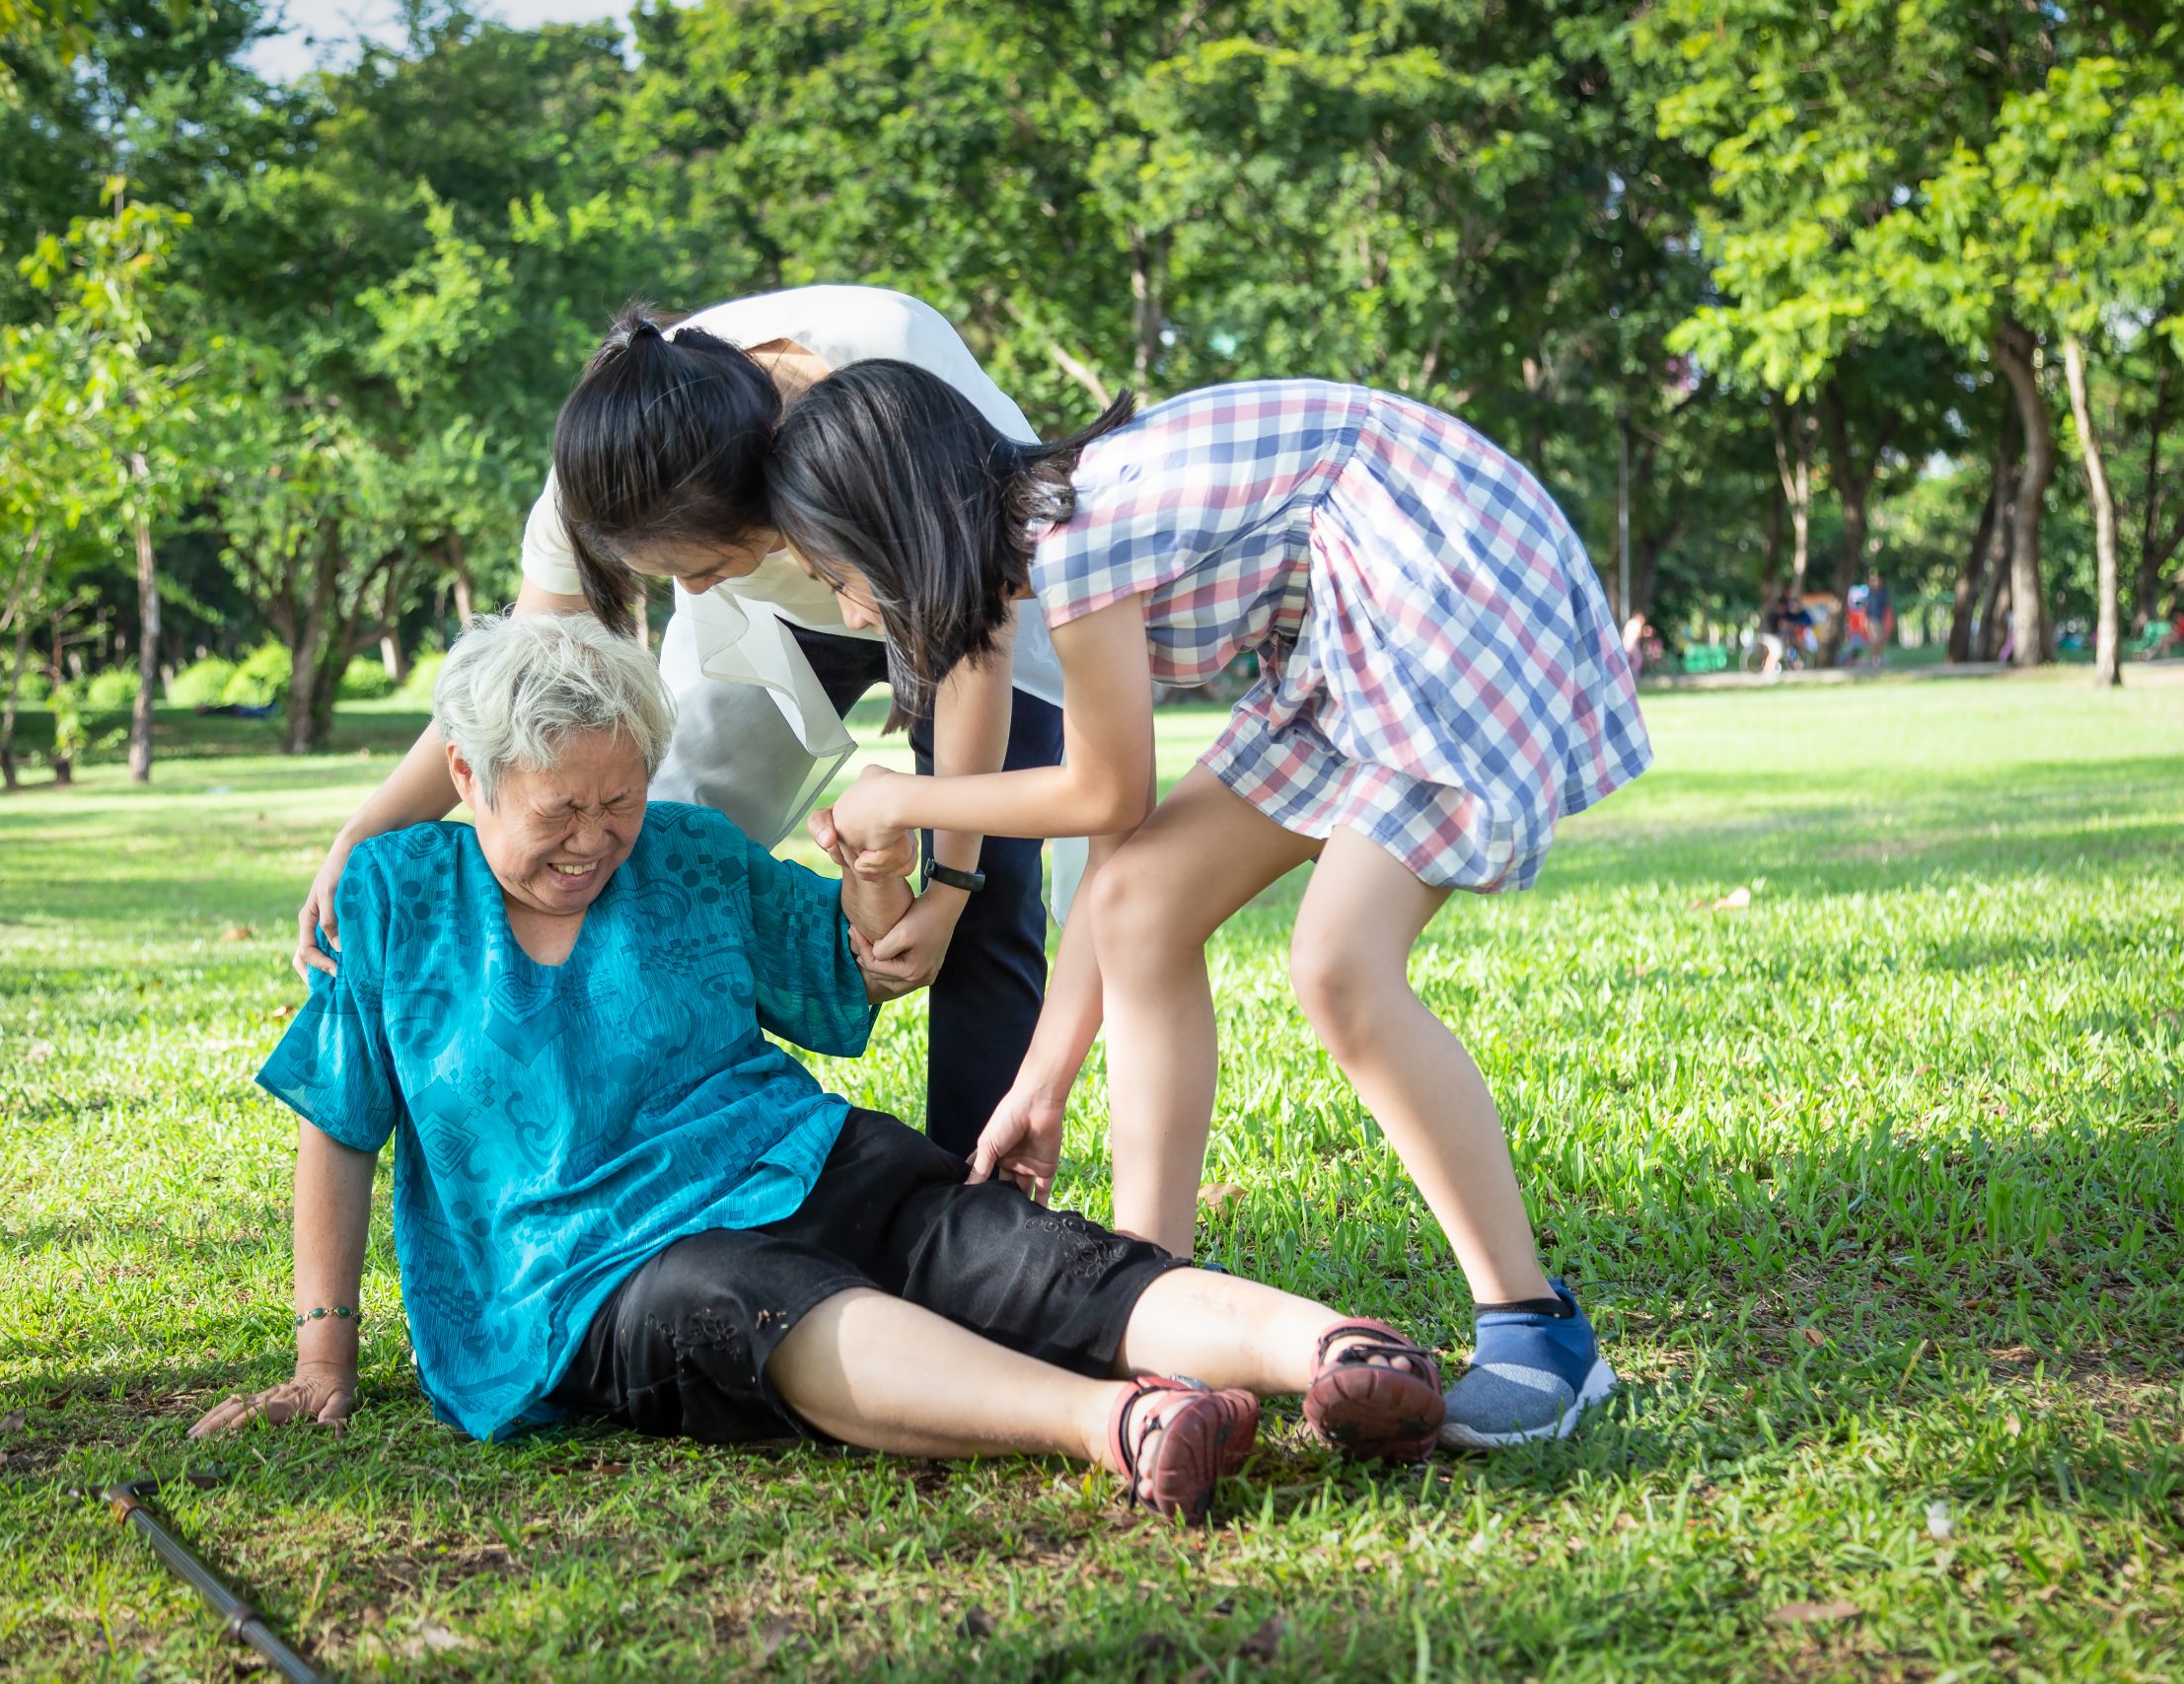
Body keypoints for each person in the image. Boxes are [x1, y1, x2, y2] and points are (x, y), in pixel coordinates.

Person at [194, 615, 1448, 1523]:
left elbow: (860, 969)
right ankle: (1119, 1424)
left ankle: (1346, 1354)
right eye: (559, 811)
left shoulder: (687, 853)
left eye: (619, 801)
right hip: (593, 1272)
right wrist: (323, 1362)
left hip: (800, 1158)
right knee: (761, 1305)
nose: (596, 840)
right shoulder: (393, 897)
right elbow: (339, 1127)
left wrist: (877, 868)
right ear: (466, 778)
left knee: (1016, 1251)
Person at [765, 367, 1649, 1448]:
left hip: (1448, 583)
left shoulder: (1075, 539)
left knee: (1338, 966)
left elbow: (1104, 792)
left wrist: (903, 795)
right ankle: (1151, 1303)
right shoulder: (1051, 545)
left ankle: (1537, 1330)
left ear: (896, 522)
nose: (854, 613)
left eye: (842, 574)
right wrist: (1044, 1078)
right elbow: (1118, 857)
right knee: (1145, 902)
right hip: (1349, 628)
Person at [294, 288, 1066, 1157]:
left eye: (698, 567)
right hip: (774, 622)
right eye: (669, 575)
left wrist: (952, 882)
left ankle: (984, 1181)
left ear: (764, 491)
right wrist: (367, 827)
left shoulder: (889, 365)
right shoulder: (606, 471)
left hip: (968, 587)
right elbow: (512, 699)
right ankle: (642, 1137)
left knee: (993, 882)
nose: (688, 590)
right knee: (652, 847)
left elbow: (973, 645)